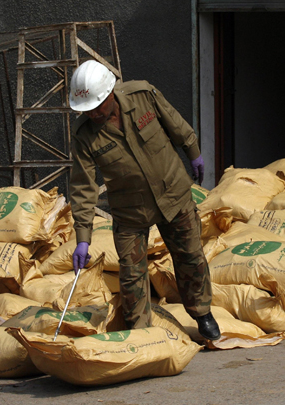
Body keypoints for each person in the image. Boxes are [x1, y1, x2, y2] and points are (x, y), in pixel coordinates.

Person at [68, 59, 220, 340]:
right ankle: (139, 333)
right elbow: (83, 186)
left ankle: (202, 313)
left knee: (190, 257)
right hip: (130, 211)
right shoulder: (83, 135)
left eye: (97, 107)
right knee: (131, 275)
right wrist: (83, 237)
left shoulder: (142, 95)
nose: (93, 115)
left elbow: (174, 122)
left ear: (110, 93)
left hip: (173, 192)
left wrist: (193, 151)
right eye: (86, 111)